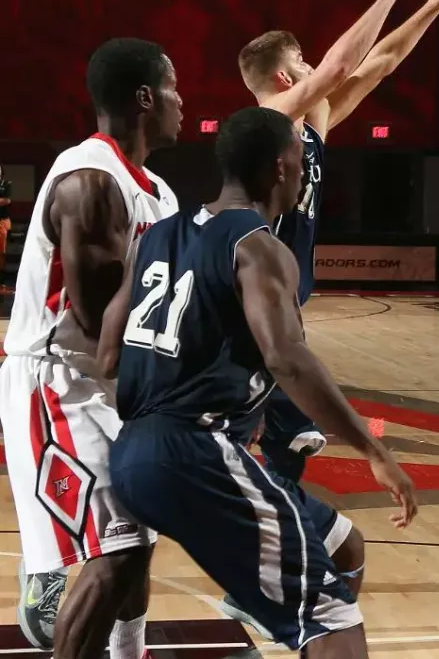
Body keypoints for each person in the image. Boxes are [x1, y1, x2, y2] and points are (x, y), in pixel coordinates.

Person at [97, 107, 418, 657]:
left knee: (343, 547)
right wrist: (372, 448)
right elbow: (287, 359)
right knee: (331, 615)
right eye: (300, 161)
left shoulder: (159, 236)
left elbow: (108, 355)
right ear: (279, 168)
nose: (304, 174)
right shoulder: (259, 246)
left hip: (131, 455)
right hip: (195, 452)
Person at [227, 0, 439, 627]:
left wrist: (431, 3)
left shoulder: (312, 124)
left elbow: (380, 62)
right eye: (301, 63)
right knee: (265, 444)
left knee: (284, 449)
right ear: (284, 80)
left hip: (280, 312)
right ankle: (280, 563)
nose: (318, 69)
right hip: (250, 314)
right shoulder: (269, 124)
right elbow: (340, 61)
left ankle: (270, 569)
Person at [0, 39, 182, 657]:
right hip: (59, 383)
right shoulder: (89, 182)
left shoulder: (159, 191)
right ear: (144, 98)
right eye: (174, 87)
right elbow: (97, 324)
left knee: (138, 542)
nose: (183, 102)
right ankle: (44, 568)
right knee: (118, 548)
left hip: (108, 380)